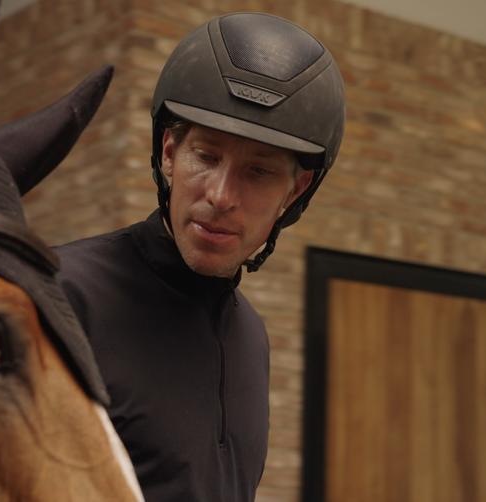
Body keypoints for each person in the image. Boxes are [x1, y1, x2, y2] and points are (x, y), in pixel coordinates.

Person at [55, 12, 345, 502]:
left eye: (257, 172)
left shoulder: (250, 335)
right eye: (206, 157)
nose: (221, 195)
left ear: (294, 192)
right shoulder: (61, 294)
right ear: (169, 153)